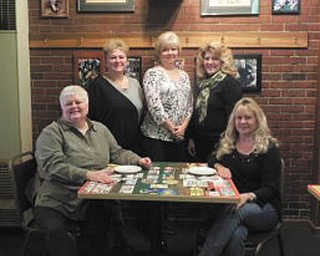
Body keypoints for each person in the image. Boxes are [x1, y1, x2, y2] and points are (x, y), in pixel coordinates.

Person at [33, 85, 151, 256]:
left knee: (102, 230)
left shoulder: (100, 129)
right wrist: (88, 175)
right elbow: (53, 167)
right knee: (55, 232)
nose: (74, 106)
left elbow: (117, 152)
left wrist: (138, 160)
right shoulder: (51, 133)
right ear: (62, 108)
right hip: (57, 200)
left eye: (78, 102)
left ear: (87, 106)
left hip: (92, 198)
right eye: (68, 104)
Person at [198, 97, 281, 256]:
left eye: (248, 117)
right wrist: (218, 166)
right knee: (236, 235)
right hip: (235, 207)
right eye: (239, 117)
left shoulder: (269, 148)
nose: (242, 121)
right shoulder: (229, 143)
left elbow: (271, 189)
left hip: (265, 208)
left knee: (235, 211)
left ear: (257, 120)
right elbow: (211, 159)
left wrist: (248, 196)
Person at [186, 41, 242, 163]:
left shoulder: (230, 83)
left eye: (215, 59)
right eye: (207, 58)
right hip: (199, 142)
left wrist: (226, 145)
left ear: (223, 61)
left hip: (220, 143)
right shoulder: (201, 83)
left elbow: (233, 118)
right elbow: (194, 113)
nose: (210, 62)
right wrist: (191, 138)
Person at [141, 31, 193, 162]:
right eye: (165, 50)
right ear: (159, 53)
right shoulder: (152, 74)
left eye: (173, 49)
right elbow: (154, 106)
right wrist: (172, 129)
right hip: (156, 137)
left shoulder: (184, 75)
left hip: (180, 136)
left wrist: (183, 128)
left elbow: (190, 103)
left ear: (178, 51)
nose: (170, 53)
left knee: (177, 177)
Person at [87, 38, 144, 155]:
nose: (118, 61)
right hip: (109, 147)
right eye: (113, 57)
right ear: (106, 61)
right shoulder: (97, 86)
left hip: (135, 146)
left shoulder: (135, 84)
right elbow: (92, 120)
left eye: (121, 57)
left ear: (127, 61)